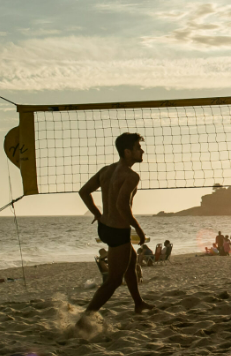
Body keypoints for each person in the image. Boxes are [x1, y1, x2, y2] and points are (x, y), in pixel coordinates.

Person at [75, 133, 154, 330]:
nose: (141, 150)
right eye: (138, 147)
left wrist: (97, 213)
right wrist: (138, 228)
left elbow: (83, 191)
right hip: (118, 231)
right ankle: (84, 319)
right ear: (127, 152)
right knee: (114, 280)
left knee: (131, 262)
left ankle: (138, 304)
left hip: (105, 227)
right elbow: (121, 205)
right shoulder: (131, 175)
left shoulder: (106, 170)